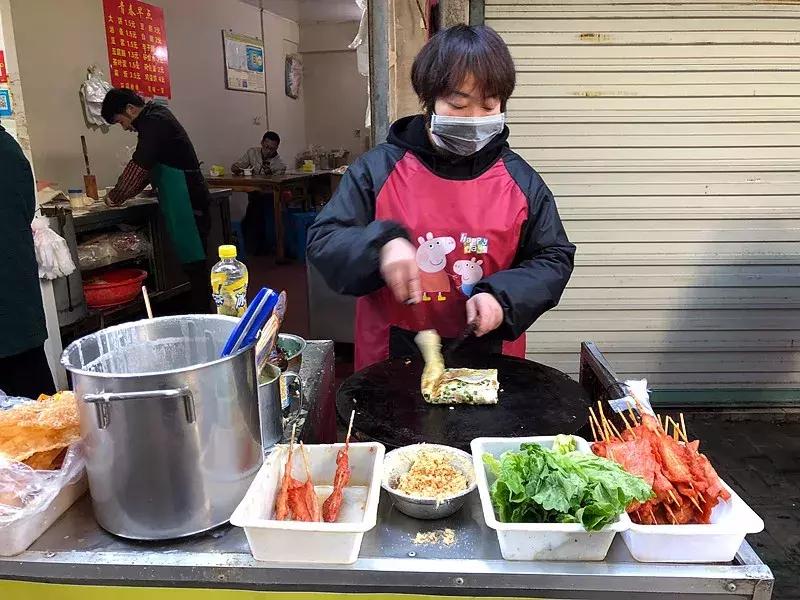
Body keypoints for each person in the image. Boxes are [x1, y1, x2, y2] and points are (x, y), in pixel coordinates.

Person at [307, 24, 575, 370]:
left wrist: (503, 297)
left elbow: (553, 256)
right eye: (458, 105)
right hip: (391, 351)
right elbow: (324, 239)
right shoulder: (378, 169)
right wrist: (381, 246)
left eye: (489, 105)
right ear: (428, 100)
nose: (475, 119)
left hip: (491, 353)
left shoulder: (520, 181)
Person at [101, 88, 212, 313]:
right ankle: (201, 311)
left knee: (196, 263)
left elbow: (140, 165)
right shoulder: (157, 116)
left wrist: (115, 197)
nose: (124, 127)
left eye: (120, 121)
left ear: (130, 110)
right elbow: (149, 166)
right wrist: (124, 192)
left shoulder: (153, 122)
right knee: (194, 264)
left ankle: (203, 315)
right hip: (184, 198)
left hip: (188, 200)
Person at [0, 123, 56, 398]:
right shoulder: (9, 149)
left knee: (34, 406)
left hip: (9, 308)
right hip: (16, 307)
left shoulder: (6, 154)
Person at [231, 131, 287, 256]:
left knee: (258, 214)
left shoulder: (280, 164)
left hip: (269, 196)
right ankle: (252, 247)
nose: (268, 151)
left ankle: (262, 248)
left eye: (272, 149)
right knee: (252, 216)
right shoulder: (252, 152)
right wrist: (236, 168)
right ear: (262, 143)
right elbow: (239, 165)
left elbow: (276, 184)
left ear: (277, 148)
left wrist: (269, 174)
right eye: (266, 147)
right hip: (255, 193)